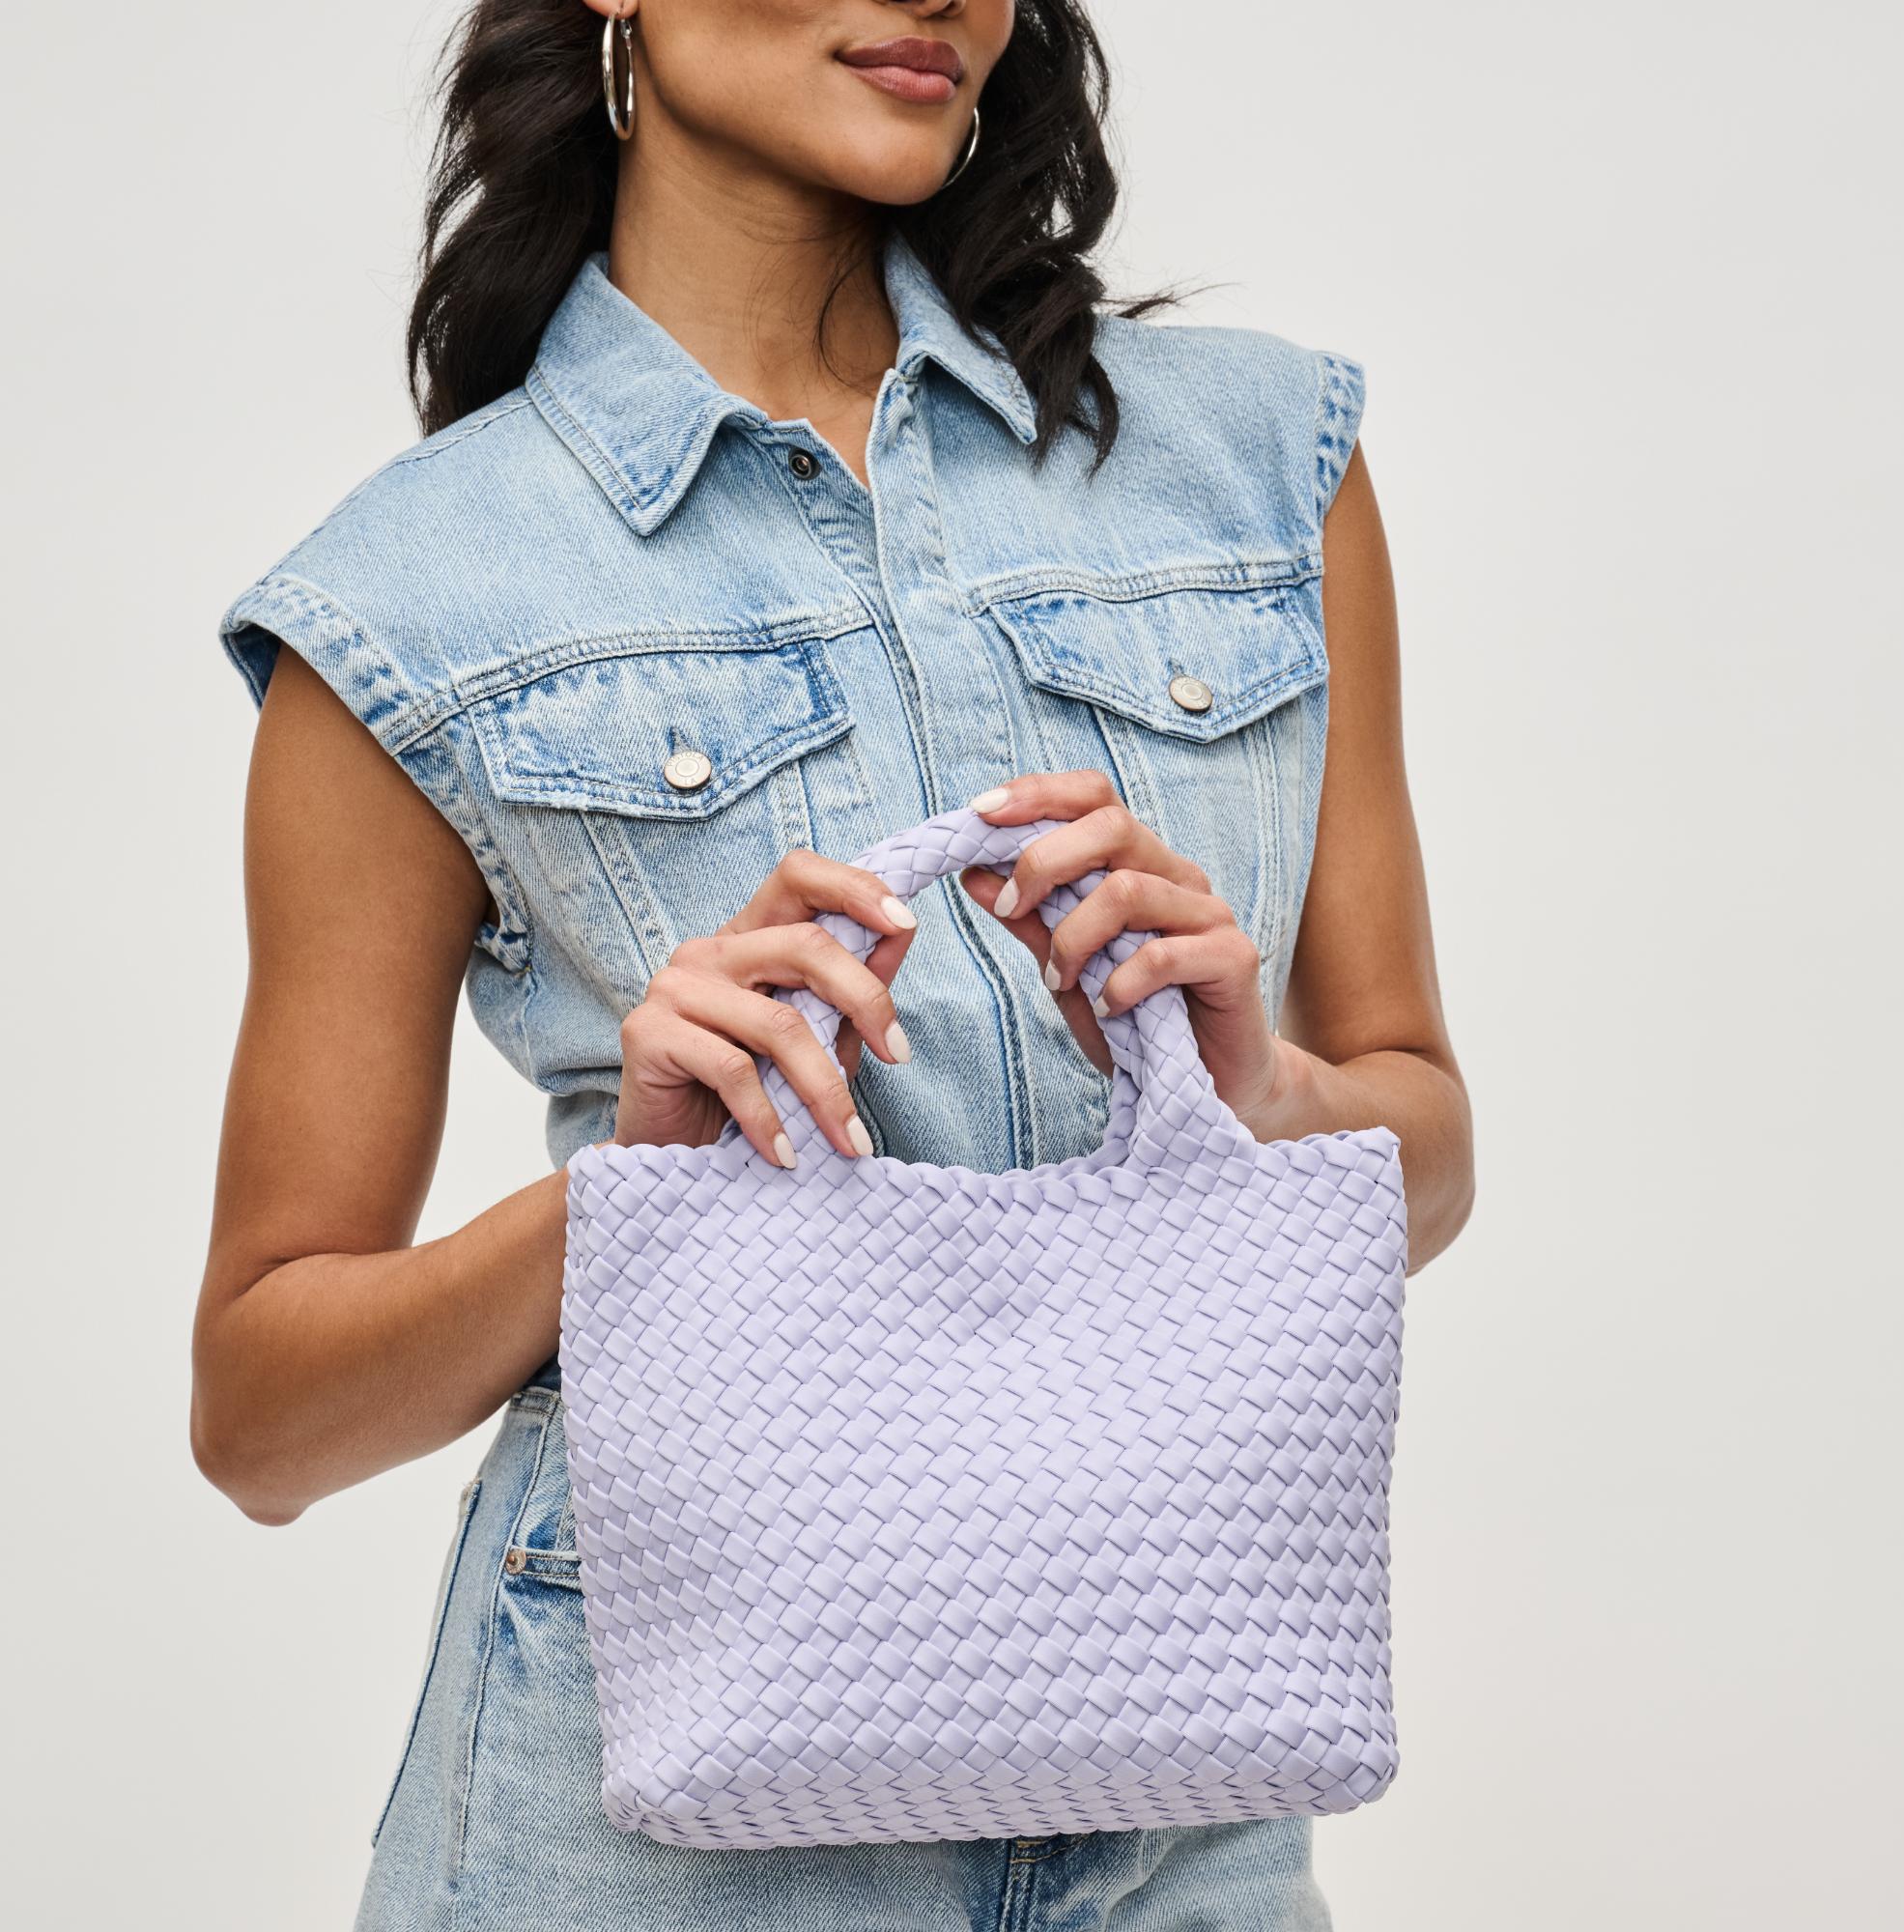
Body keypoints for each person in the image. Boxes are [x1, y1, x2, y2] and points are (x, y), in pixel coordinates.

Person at [191, 2, 1475, 1925]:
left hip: (1184, 1797)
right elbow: (263, 1420)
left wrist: (1262, 1094)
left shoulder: (1254, 469)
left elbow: (1423, 1156)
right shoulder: (412, 596)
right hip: (643, 1839)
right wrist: (637, 1198)